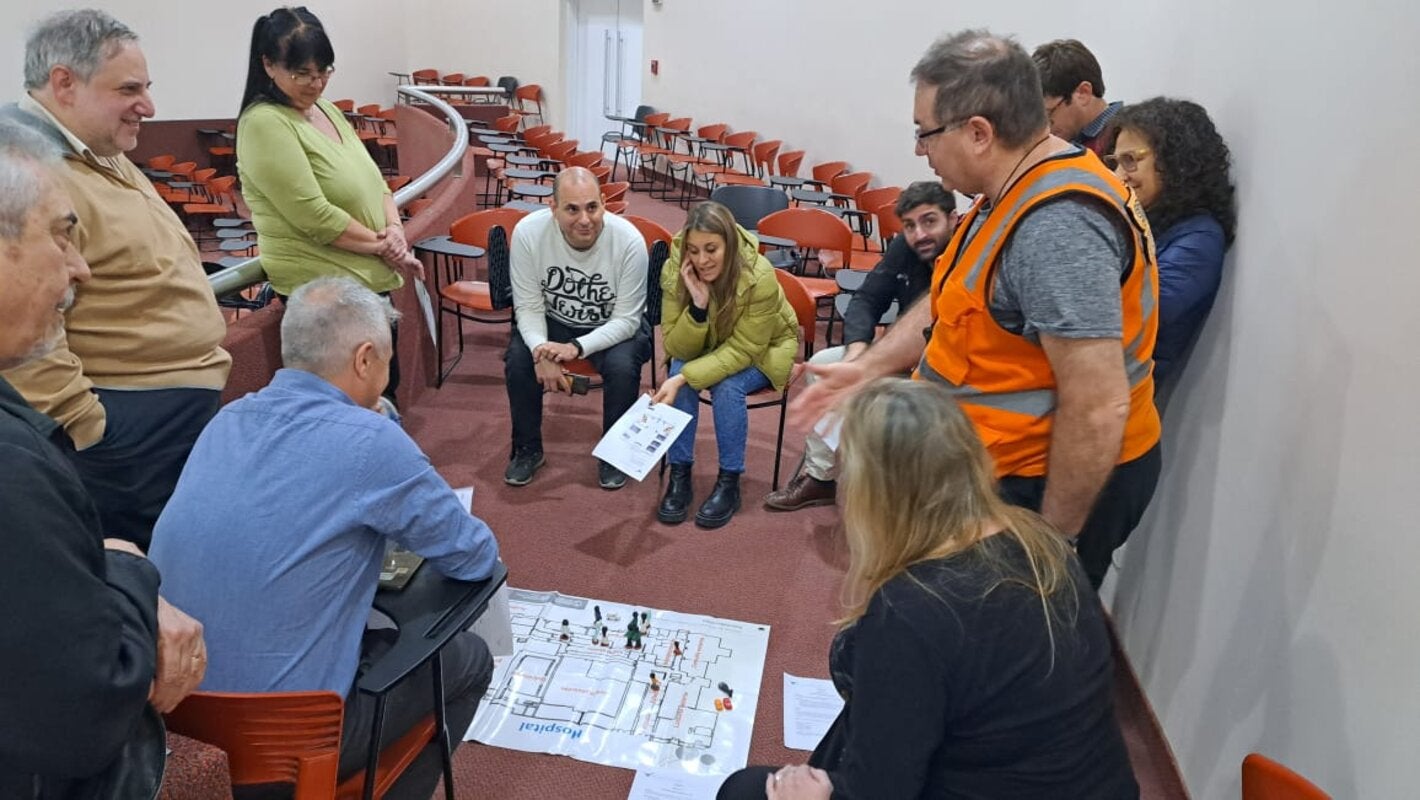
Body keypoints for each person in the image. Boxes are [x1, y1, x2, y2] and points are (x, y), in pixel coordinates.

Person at [793, 30, 1162, 589]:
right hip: (992, 468)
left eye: (925, 133)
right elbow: (952, 304)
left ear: (979, 133)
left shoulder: (1055, 226)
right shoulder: (1010, 188)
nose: (920, 150)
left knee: (1013, 640)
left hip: (1038, 485)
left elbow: (1097, 406)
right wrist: (868, 366)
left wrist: (1048, 547)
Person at [149, 277, 500, 800]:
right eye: (385, 361)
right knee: (469, 660)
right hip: (283, 749)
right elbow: (474, 557)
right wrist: (385, 436)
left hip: (174, 730)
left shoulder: (228, 419)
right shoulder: (373, 439)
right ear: (364, 360)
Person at [717, 380, 1139, 800]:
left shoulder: (910, 609)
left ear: (877, 496)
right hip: (1096, 784)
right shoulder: (1039, 538)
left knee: (744, 791)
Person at [0, 120, 206, 798]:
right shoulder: (12, 470)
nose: (79, 265)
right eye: (59, 235)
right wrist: (127, 566)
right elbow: (86, 712)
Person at [0, 9, 231, 549]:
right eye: (129, 89)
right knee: (143, 584)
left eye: (146, 87)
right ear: (64, 84)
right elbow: (25, 321)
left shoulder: (100, 149)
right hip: (123, 433)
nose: (148, 106)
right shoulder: (28, 166)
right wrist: (87, 425)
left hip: (165, 417)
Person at [236, 6, 420, 402]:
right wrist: (382, 245)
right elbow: (313, 216)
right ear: (268, 64)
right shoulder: (265, 123)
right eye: (302, 73)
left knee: (383, 390)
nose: (316, 83)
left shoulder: (326, 110)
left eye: (324, 71)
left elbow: (376, 183)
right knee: (346, 401)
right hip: (324, 293)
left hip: (367, 281)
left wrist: (395, 231)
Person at [764, 181, 957, 511]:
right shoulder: (905, 248)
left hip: (947, 369)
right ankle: (821, 477)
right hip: (898, 361)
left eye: (929, 221)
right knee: (827, 362)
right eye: (910, 225)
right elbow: (867, 299)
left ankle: (906, 499)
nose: (919, 234)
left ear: (952, 219)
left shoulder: (966, 255)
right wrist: (856, 354)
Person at [649, 201, 798, 528]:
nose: (701, 260)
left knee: (725, 385)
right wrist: (699, 308)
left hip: (766, 347)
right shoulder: (676, 269)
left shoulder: (759, 274)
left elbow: (745, 348)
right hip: (713, 340)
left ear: (730, 243)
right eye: (694, 250)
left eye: (712, 249)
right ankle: (680, 473)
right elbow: (674, 344)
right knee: (679, 370)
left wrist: (685, 377)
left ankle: (730, 481)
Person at [504, 166, 650, 489]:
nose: (585, 219)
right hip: (554, 322)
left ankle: (614, 454)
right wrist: (540, 351)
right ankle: (528, 449)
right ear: (553, 209)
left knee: (622, 366)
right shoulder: (528, 233)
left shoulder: (629, 243)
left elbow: (628, 320)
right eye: (572, 209)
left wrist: (576, 348)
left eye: (592, 207)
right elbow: (527, 307)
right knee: (518, 359)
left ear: (603, 203)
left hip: (612, 327)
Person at [1108, 98, 1236, 401]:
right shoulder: (1141, 220)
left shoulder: (1200, 238)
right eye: (1115, 162)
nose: (1117, 176)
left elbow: (1135, 312)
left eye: (1130, 160)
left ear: (1174, 162)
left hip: (1123, 401)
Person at [1032, 39, 1122, 157]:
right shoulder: (1070, 143)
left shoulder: (1127, 138)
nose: (1046, 128)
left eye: (1049, 115)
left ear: (1083, 93)